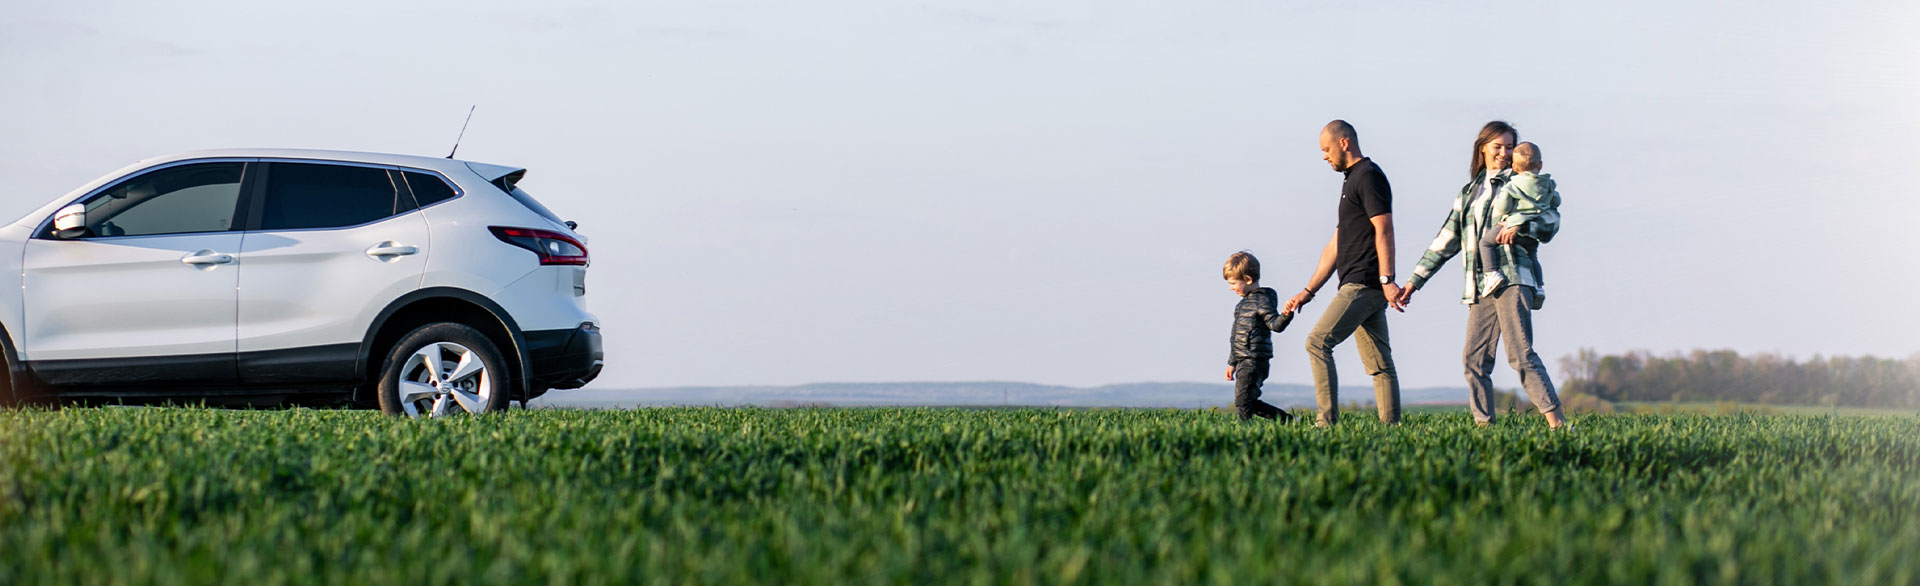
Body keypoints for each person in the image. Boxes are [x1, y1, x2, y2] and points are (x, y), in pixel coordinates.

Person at [1398, 122, 1568, 429]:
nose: (1504, 153)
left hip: (1513, 276)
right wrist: (1414, 282)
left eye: (1509, 147)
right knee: (1474, 360)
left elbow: (1551, 221)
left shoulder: (1524, 180)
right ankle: (1485, 427)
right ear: (1483, 149)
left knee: (1519, 354)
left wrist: (1522, 226)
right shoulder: (1469, 193)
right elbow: (1446, 240)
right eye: (1497, 147)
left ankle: (1558, 425)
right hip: (1480, 285)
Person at [1282, 120, 1403, 427]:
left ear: (1344, 143)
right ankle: (1391, 429)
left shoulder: (1368, 176)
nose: (1324, 156)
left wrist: (1387, 280)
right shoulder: (1351, 181)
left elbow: (1384, 228)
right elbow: (1335, 244)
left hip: (1363, 282)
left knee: (1317, 342)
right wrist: (1308, 291)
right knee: (1379, 363)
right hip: (1359, 282)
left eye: (1326, 149)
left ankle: (1326, 423)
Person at [1222, 251, 1297, 422]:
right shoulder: (1242, 305)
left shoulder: (1262, 300)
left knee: (1243, 401)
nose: (1231, 287)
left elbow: (1275, 325)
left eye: (1233, 283)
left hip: (1254, 359)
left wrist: (1286, 315)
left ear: (1248, 280)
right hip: (1243, 359)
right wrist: (1232, 362)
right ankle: (1288, 421)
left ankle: (1246, 429)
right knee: (1248, 401)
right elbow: (1236, 337)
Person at [1475, 142, 1559, 276]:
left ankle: (1491, 273)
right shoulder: (1548, 184)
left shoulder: (1512, 185)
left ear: (1514, 167)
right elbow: (1556, 201)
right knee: (1532, 256)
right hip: (1531, 231)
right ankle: (1539, 284)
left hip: (1511, 225)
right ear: (1540, 165)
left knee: (1485, 243)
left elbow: (1503, 207)